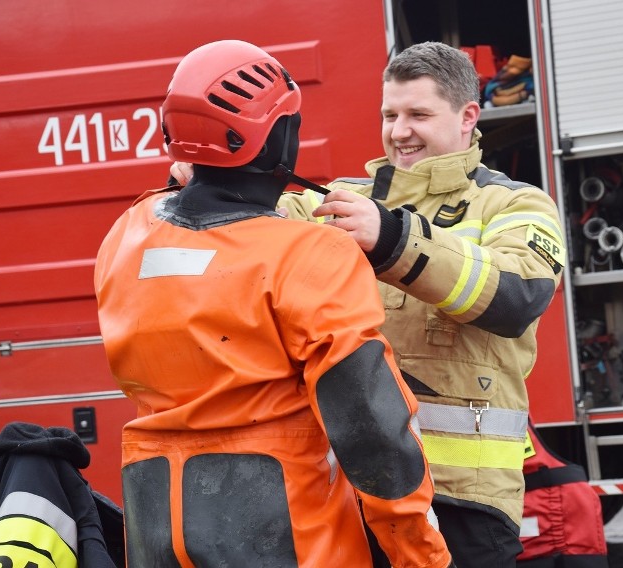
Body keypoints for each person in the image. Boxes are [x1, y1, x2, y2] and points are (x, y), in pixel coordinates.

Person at [171, 40, 566, 567]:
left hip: (462, 502)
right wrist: (209, 182)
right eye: (390, 114)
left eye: (418, 114)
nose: (400, 130)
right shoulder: (331, 201)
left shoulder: (517, 204)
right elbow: (246, 223)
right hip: (349, 494)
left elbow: (517, 297)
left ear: (468, 116)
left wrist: (394, 239)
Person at [95, 39, 452, 568]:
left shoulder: (128, 236)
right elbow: (371, 430)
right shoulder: (309, 255)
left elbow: (179, 217)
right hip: (290, 542)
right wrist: (422, 557)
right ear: (280, 137)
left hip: (158, 539)